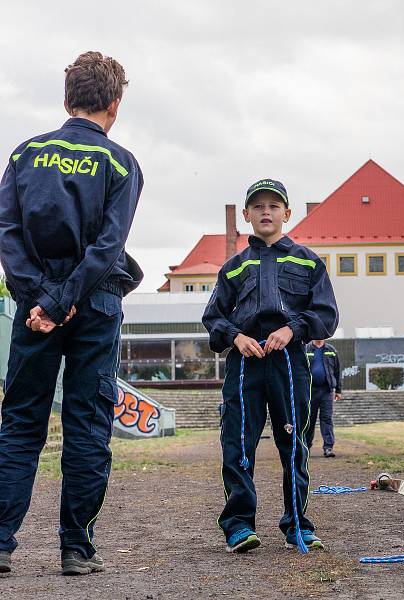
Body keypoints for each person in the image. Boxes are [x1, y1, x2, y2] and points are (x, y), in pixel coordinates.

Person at [0, 52, 143, 576]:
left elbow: (8, 235)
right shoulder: (122, 163)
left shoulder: (24, 155)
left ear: (66, 100)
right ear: (114, 104)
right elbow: (109, 246)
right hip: (96, 301)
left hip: (34, 303)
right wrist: (65, 300)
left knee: (19, 422)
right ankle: (76, 549)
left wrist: (38, 299)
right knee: (87, 423)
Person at [202, 179, 338, 553]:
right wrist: (235, 337)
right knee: (237, 445)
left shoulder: (307, 261)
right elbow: (213, 317)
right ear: (246, 214)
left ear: (287, 214)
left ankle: (297, 524)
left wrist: (293, 329)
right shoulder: (232, 268)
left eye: (274, 206)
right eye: (258, 206)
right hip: (244, 366)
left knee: (295, 445)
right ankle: (239, 526)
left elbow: (325, 315)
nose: (266, 211)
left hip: (289, 365)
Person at [305, 339, 342, 457]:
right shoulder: (306, 349)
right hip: (310, 391)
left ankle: (328, 448)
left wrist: (338, 390)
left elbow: (337, 371)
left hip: (327, 391)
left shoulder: (331, 350)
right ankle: (306, 448)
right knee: (309, 420)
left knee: (327, 419)